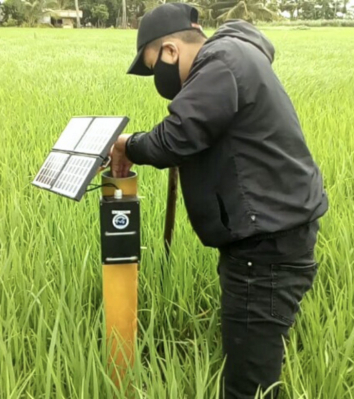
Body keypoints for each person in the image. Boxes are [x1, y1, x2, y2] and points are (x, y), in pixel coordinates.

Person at [109, 3, 329, 398]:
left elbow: (176, 137)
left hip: (265, 248)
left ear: (172, 51)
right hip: (271, 233)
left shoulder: (221, 63)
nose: (155, 76)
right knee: (252, 360)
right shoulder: (234, 57)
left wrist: (127, 144)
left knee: (250, 386)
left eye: (153, 63)